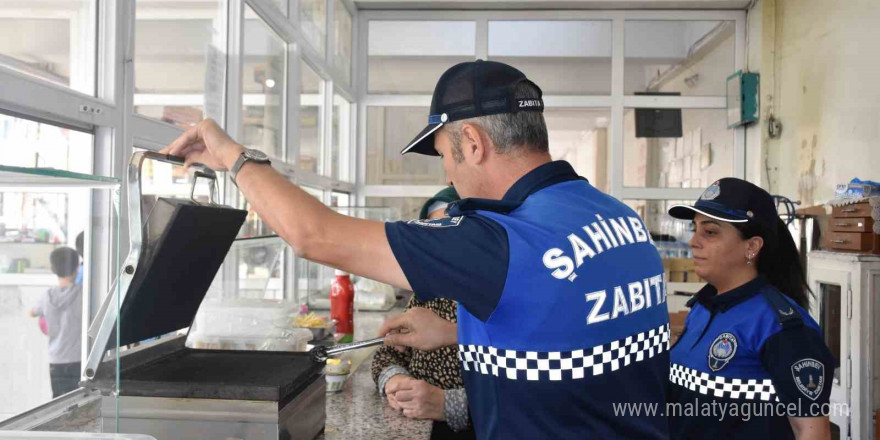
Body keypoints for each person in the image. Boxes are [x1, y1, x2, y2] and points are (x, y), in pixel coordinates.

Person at [162, 60, 670, 439]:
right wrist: (455, 330)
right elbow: (570, 324)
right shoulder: (617, 218)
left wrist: (229, 152)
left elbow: (313, 234)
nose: (448, 174)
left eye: (446, 156)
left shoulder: (501, 239)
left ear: (472, 143)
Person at [665, 178, 833, 440]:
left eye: (709, 232)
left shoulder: (780, 327)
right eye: (694, 229)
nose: (694, 242)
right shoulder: (702, 308)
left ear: (752, 246)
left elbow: (811, 431)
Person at [371, 187, 476, 440]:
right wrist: (395, 381)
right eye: (432, 232)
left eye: (450, 229)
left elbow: (523, 396)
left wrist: (448, 404)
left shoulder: (491, 297)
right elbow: (387, 352)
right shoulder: (426, 293)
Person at [28, 246, 83, 397]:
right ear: (77, 267)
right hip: (78, 359)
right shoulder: (83, 293)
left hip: (56, 359)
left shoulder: (46, 297)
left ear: (53, 268)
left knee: (59, 402)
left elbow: (31, 312)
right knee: (79, 402)